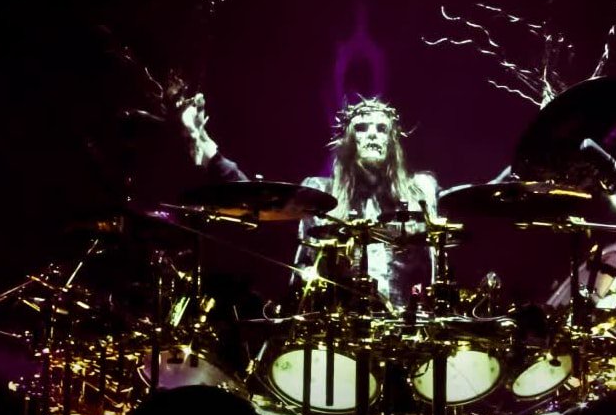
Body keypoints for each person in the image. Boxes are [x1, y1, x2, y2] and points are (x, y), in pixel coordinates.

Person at [179, 93, 439, 309]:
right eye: (362, 128)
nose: (372, 134)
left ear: (392, 142)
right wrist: (203, 142)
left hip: (409, 329)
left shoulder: (420, 192)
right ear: (349, 142)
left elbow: (449, 226)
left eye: (381, 129)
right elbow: (260, 203)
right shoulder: (321, 193)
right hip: (339, 328)